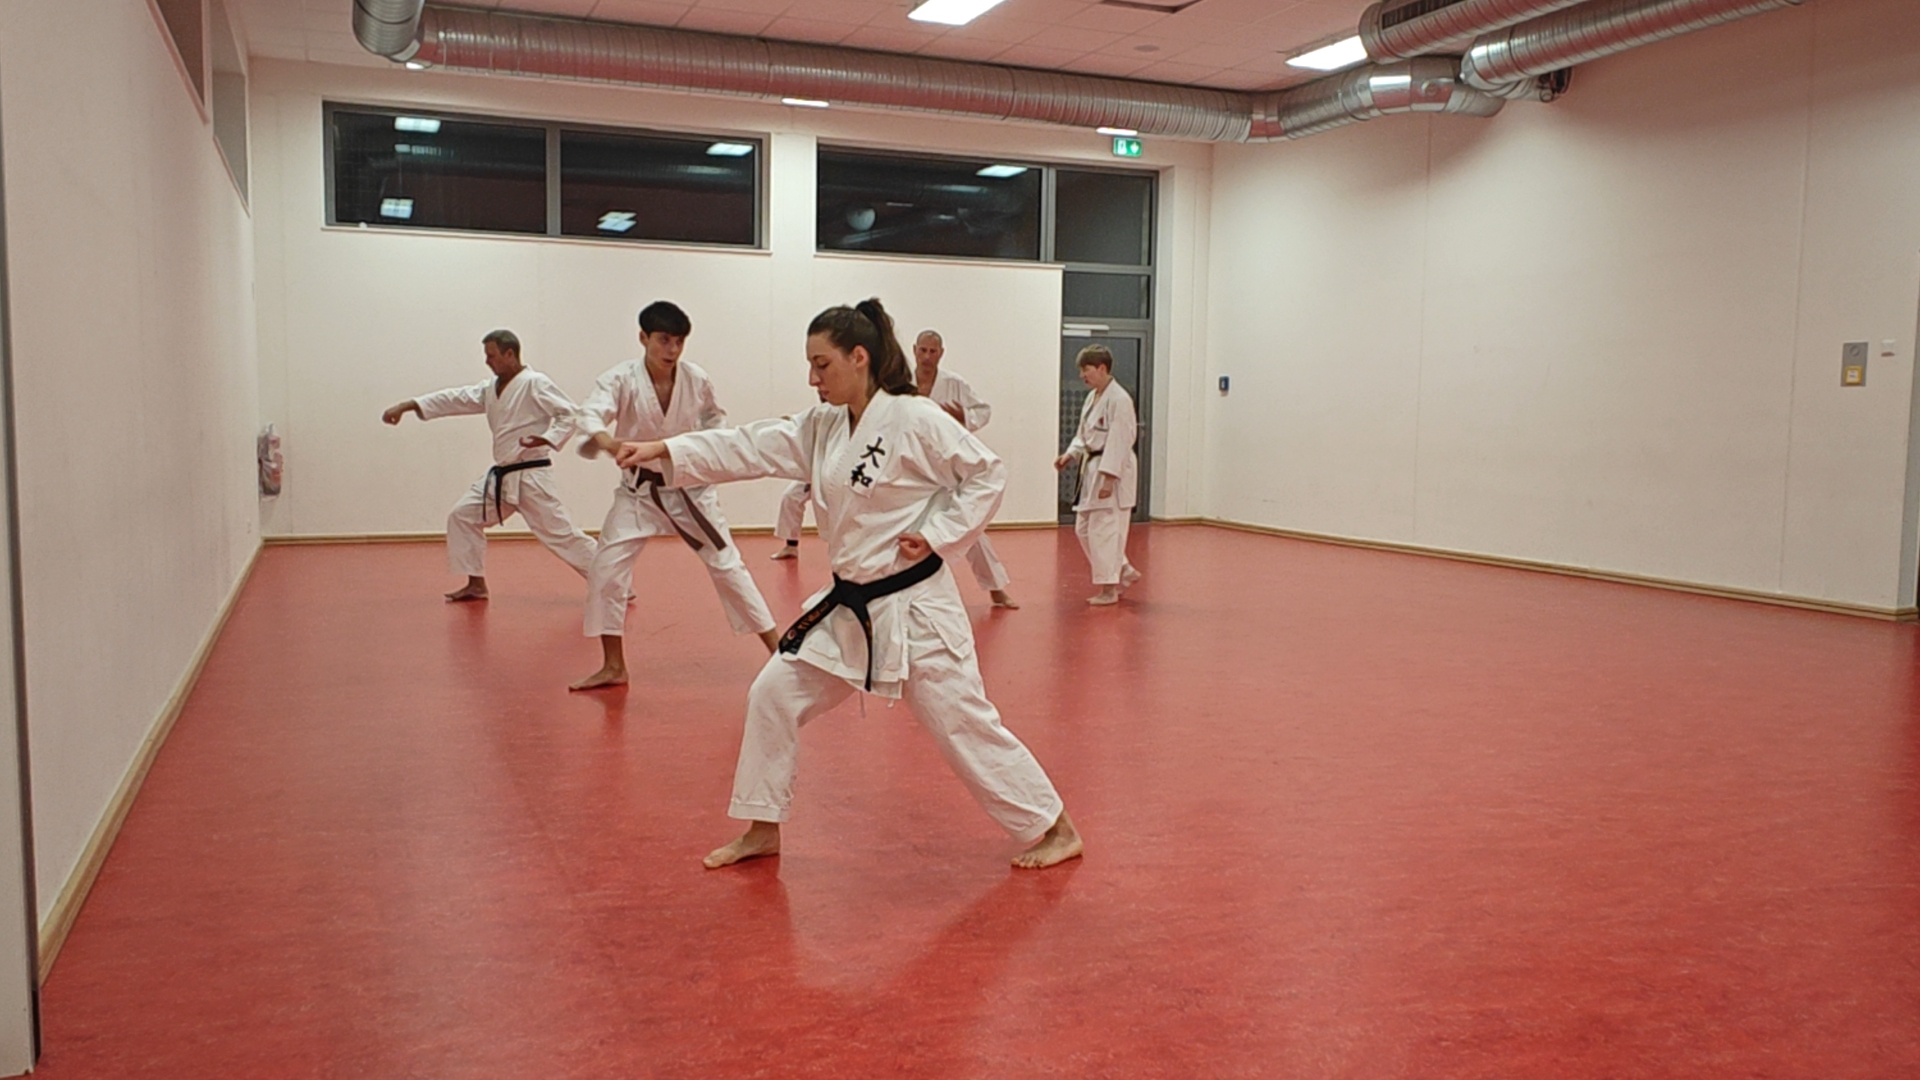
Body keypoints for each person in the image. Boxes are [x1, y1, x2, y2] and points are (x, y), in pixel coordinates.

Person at [612, 298, 1082, 870]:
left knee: (961, 723)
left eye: (822, 365)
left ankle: (1054, 826)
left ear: (859, 357)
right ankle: (763, 826)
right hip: (848, 606)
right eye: (810, 366)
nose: (813, 379)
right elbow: (751, 443)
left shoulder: (913, 418)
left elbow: (987, 473)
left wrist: (938, 533)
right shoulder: (825, 424)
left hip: (914, 609)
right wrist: (667, 448)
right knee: (772, 695)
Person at [570, 301, 779, 691]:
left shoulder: (696, 379)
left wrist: (701, 452)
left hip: (688, 488)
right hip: (639, 493)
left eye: (679, 342)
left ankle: (780, 654)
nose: (672, 350)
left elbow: (716, 420)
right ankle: (614, 665)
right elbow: (589, 417)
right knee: (606, 571)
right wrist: (610, 443)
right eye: (663, 340)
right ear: (643, 338)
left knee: (727, 566)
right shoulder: (620, 380)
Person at [381, 329, 595, 601]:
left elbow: (569, 413)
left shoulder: (534, 383)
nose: (487, 362)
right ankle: (476, 583)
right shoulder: (490, 389)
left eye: (491, 356)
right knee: (463, 515)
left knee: (561, 535)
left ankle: (613, 581)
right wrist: (409, 405)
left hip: (531, 475)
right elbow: (455, 398)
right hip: (501, 477)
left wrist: (549, 437)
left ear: (510, 354)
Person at [912, 330, 1018, 609]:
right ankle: (907, 593)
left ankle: (996, 589)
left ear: (941, 353)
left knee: (972, 529)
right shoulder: (900, 384)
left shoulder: (954, 384)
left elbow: (984, 410)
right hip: (912, 467)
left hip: (947, 469)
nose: (927, 357)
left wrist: (965, 418)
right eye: (922, 350)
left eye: (932, 351)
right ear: (914, 350)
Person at [1053, 344, 1140, 606]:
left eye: (1086, 370)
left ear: (1102, 368)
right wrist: (1070, 454)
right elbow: (1084, 434)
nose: (1082, 376)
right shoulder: (1093, 397)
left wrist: (1109, 478)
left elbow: (1120, 440)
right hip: (1091, 467)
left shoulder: (1120, 400)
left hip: (1110, 470)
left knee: (1104, 530)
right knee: (1083, 528)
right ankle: (1121, 567)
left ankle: (1109, 589)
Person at [770, 480, 810, 560]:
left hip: (833, 473)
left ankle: (840, 551)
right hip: (813, 473)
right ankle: (791, 546)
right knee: (790, 497)